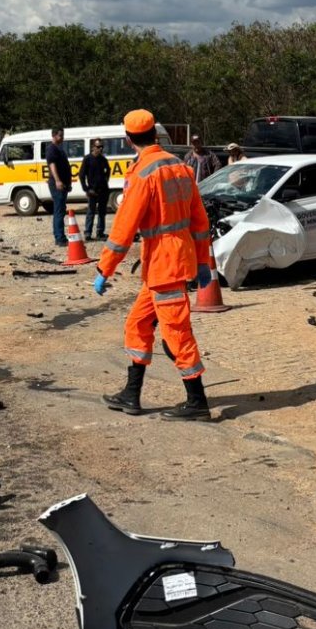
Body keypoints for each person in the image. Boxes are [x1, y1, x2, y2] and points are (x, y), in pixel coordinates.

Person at [93, 109, 213, 421]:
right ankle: (131, 395)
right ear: (155, 135)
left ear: (128, 138)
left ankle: (197, 401)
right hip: (168, 263)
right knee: (138, 324)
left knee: (177, 333)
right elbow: (200, 221)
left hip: (165, 265)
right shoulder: (180, 166)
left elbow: (123, 228)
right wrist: (203, 261)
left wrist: (104, 269)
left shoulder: (143, 172)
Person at [46, 126, 72, 247]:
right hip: (57, 184)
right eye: (61, 135)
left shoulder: (59, 148)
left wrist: (69, 183)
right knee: (59, 210)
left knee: (61, 210)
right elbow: (52, 165)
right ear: (54, 135)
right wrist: (57, 181)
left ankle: (60, 236)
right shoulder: (52, 149)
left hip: (64, 183)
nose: (63, 137)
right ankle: (59, 238)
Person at [80, 138, 111, 240]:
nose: (100, 149)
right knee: (91, 212)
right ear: (93, 147)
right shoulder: (87, 159)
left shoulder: (103, 159)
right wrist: (86, 189)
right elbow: (81, 175)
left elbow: (108, 170)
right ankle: (88, 233)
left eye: (102, 147)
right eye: (98, 147)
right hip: (92, 190)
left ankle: (100, 232)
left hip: (103, 190)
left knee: (102, 213)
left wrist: (106, 180)